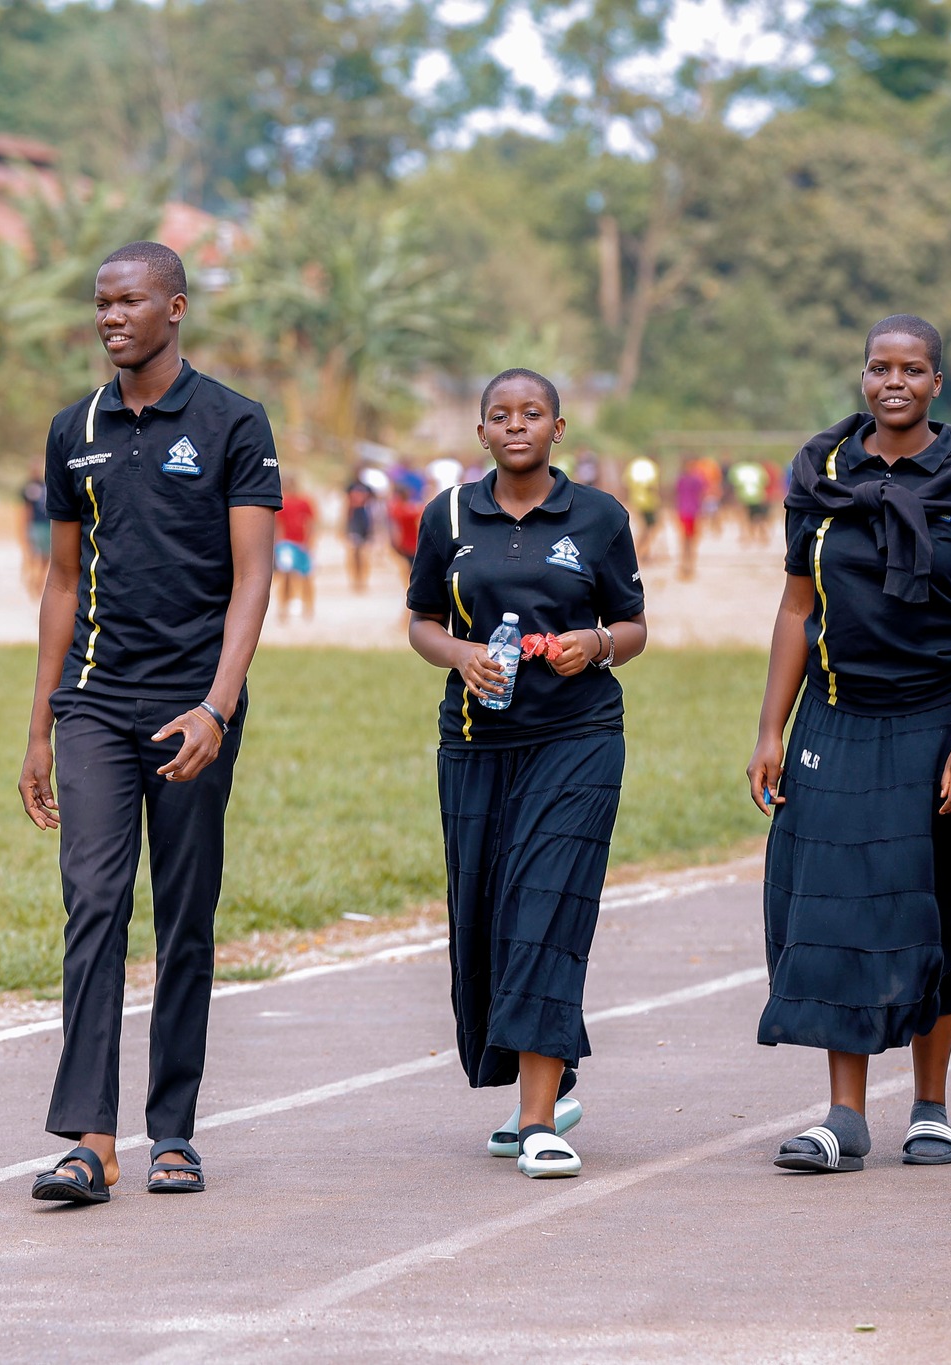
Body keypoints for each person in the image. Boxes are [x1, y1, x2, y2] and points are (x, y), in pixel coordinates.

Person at [17, 242, 279, 1205]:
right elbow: (62, 578)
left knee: (184, 916)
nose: (110, 316)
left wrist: (217, 703)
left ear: (175, 308)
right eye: (100, 302)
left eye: (128, 300)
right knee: (93, 903)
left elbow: (254, 577)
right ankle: (89, 1138)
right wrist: (41, 725)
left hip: (191, 708)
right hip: (92, 701)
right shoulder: (71, 429)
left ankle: (173, 1127)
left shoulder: (232, 423)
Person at [746, 315, 951, 1175]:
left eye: (912, 368)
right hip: (836, 716)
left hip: (940, 721)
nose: (892, 380)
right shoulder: (822, 476)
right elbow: (798, 608)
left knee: (926, 910)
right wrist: (770, 727)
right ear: (862, 376)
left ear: (939, 383)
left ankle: (931, 1106)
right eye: (878, 366)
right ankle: (843, 1115)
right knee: (830, 910)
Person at [406, 368, 647, 1180]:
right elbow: (422, 622)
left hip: (578, 738)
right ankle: (535, 1089)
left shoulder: (599, 517)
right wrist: (461, 654)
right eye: (501, 415)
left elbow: (634, 623)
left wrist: (600, 645)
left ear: (559, 427)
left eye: (532, 413)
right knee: (485, 918)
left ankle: (541, 1120)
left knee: (546, 907)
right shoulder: (448, 516)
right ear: (480, 433)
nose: (517, 425)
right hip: (476, 741)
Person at [274, 478, 317, 622]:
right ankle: (294, 607)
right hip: (291, 543)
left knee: (291, 575)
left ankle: (297, 607)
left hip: (291, 543)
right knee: (297, 575)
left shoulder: (296, 501)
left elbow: (310, 523)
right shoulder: (299, 501)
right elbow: (310, 523)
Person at [20, 462, 52, 596]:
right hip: (36, 525)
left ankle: (38, 581)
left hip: (47, 524)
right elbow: (26, 510)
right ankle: (32, 580)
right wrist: (25, 527)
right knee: (34, 554)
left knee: (46, 556)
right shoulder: (29, 487)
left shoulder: (47, 485)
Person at [625, 455, 662, 564]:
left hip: (638, 502)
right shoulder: (651, 469)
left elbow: (627, 483)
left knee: (646, 529)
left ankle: (643, 552)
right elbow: (652, 487)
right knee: (646, 529)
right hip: (647, 504)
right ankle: (638, 553)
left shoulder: (634, 467)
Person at [344, 468, 375, 593]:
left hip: (365, 521)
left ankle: (363, 579)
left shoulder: (368, 488)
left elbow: (373, 507)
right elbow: (346, 505)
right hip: (354, 521)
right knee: (353, 552)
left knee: (364, 553)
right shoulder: (350, 487)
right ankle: (354, 579)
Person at [674, 461, 706, 580]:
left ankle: (686, 566)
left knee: (687, 540)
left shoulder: (683, 479)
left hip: (686, 511)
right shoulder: (695, 479)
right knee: (689, 541)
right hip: (690, 512)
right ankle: (688, 566)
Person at [729, 458, 770, 545]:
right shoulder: (758, 468)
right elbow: (766, 481)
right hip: (757, 495)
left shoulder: (739, 468)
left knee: (744, 518)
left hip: (743, 496)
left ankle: (746, 536)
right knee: (759, 517)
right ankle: (763, 536)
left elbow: (734, 482)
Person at [387, 481, 422, 571]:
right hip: (410, 541)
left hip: (406, 542)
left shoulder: (397, 508)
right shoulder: (409, 509)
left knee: (408, 566)